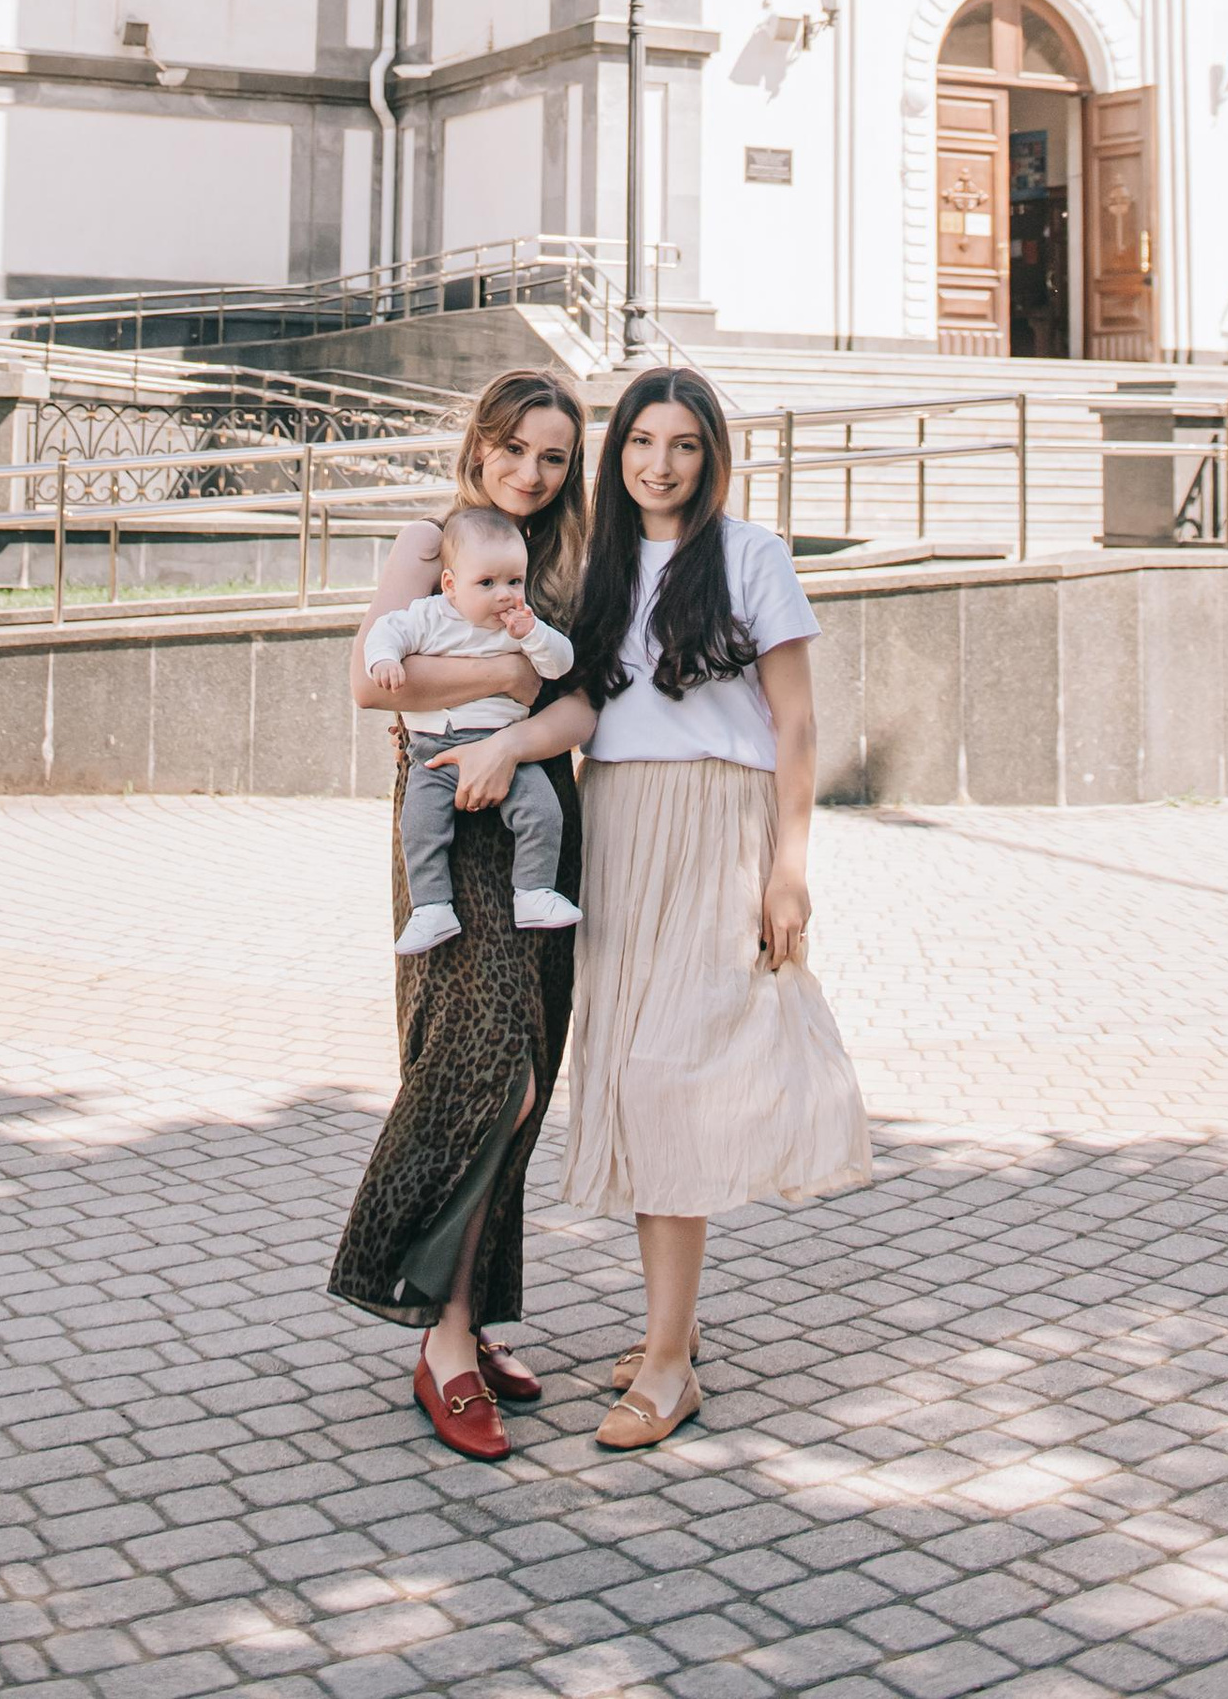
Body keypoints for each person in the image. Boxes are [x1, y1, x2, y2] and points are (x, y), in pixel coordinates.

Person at [560, 364, 871, 1453]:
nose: (659, 464)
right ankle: (666, 1332)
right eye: (642, 442)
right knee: (632, 1075)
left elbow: (794, 726)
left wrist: (790, 865)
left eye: (683, 445)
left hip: (716, 830)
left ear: (712, 455)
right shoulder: (593, 561)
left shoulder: (749, 557)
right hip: (617, 831)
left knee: (668, 1081)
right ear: (618, 452)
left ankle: (668, 1363)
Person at [329, 369, 595, 1465]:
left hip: (535, 814)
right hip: (444, 827)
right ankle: (434, 1334)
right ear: (479, 444)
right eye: (517, 450)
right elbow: (369, 681)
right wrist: (500, 673)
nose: (532, 475)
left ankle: (471, 1316)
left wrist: (505, 723)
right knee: (480, 1061)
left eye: (555, 459)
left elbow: (584, 700)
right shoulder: (421, 540)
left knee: (528, 1069)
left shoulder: (574, 565)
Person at [365, 504, 581, 952]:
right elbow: (387, 632)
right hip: (436, 751)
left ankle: (533, 892)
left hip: (502, 747)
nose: (504, 595)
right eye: (487, 583)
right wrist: (384, 660)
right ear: (451, 585)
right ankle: (431, 907)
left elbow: (560, 666)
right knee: (422, 825)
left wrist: (534, 635)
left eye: (514, 582)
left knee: (543, 811)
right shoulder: (428, 616)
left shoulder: (518, 627)